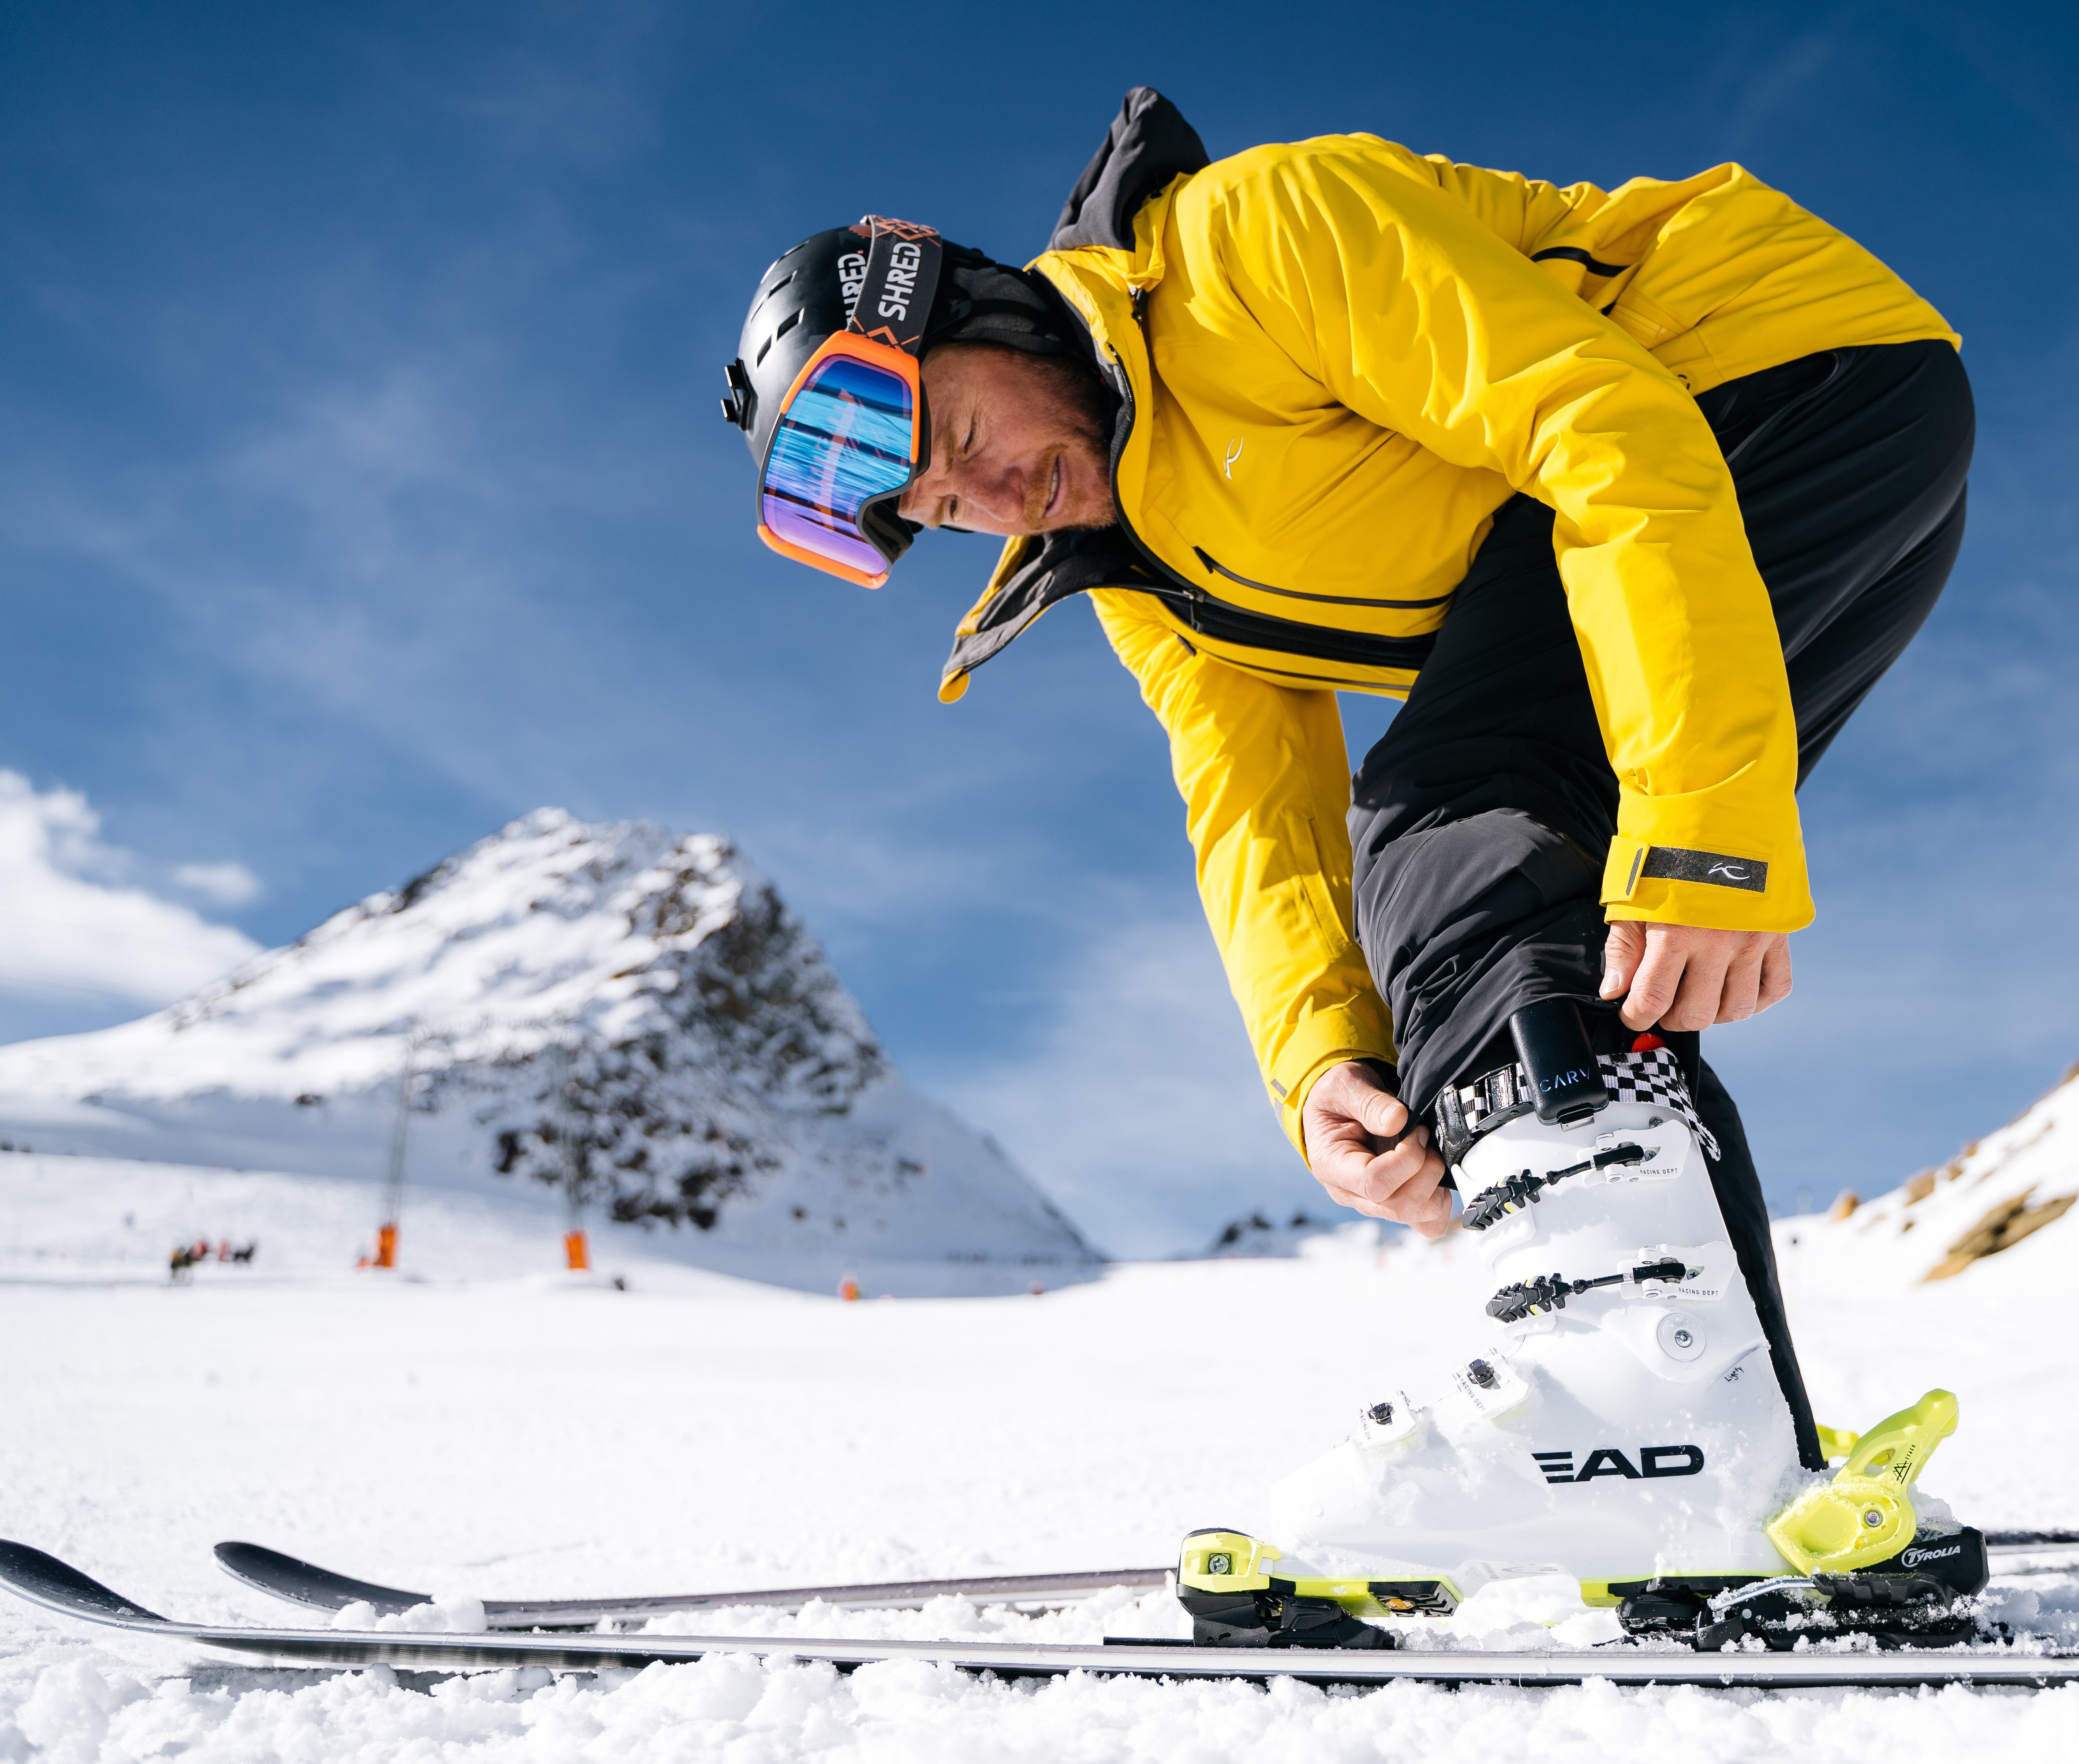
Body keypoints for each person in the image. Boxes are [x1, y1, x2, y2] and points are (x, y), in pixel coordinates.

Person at [726, 87, 1977, 1648]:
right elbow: (1252, 803)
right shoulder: (1134, 565)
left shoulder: (1251, 242)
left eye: (966, 437)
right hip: (1705, 484)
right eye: (934, 507)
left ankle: (1622, 1426)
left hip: (1772, 379)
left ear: (999, 315)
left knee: (1462, 804)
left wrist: (1704, 814)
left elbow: (1601, 423)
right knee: (1547, 926)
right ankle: (1719, 1469)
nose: (983, 501)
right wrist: (1325, 1061)